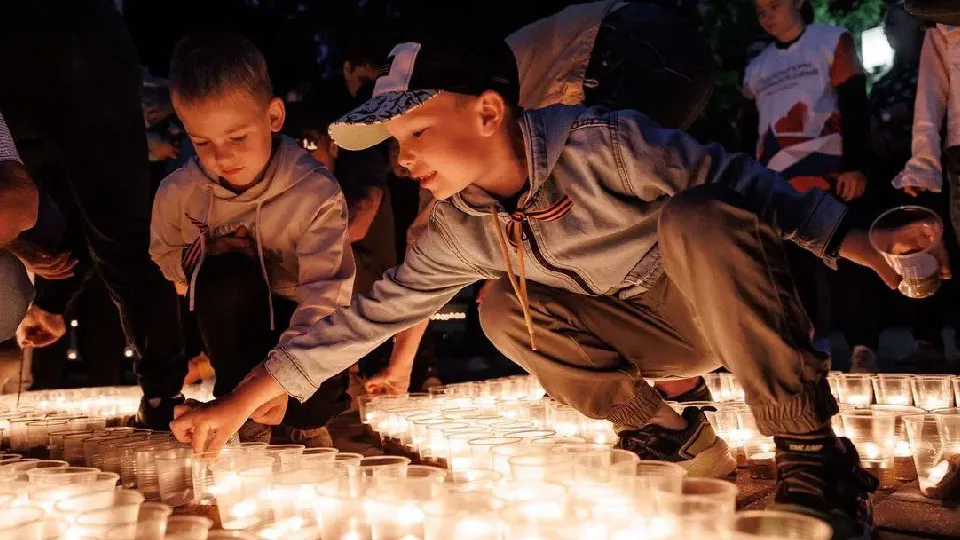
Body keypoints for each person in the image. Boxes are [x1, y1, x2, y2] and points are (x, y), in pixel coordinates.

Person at [169, 34, 947, 535]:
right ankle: (671, 436)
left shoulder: (606, 144)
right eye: (394, 143)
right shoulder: (458, 226)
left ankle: (812, 453)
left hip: (715, 302)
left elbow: (741, 184)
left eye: (413, 133)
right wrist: (240, 402)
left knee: (700, 215)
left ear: (487, 110)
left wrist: (855, 240)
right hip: (637, 335)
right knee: (503, 305)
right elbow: (362, 319)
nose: (402, 161)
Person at [364, 0, 719, 400]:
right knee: (596, 228)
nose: (410, 164)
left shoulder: (455, 124)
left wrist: (401, 365)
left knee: (607, 215)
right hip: (664, 41)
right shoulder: (459, 117)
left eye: (410, 141)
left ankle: (677, 383)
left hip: (623, 46)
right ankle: (659, 379)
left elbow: (427, 256)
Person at [150, 32, 355, 445]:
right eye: (201, 142)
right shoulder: (179, 194)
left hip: (300, 328)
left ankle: (305, 422)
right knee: (223, 277)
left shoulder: (314, 193)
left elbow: (326, 300)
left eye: (237, 137)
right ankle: (242, 408)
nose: (221, 157)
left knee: (314, 401)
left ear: (273, 117)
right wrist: (202, 256)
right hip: (233, 327)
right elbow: (165, 262)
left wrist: (279, 381)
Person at [0, 0, 187, 428]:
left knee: (124, 233)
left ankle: (163, 400)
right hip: (86, 42)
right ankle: (163, 398)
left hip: (77, 47)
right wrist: (50, 302)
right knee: (118, 227)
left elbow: (23, 202)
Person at [741, 0, 881, 371]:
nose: (766, 15)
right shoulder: (757, 67)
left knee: (849, 262)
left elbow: (854, 104)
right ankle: (809, 351)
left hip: (832, 175)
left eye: (773, 5)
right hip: (777, 186)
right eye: (759, 10)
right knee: (793, 272)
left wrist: (857, 165)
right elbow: (749, 129)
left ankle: (862, 347)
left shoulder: (831, 41)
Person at [871, 2, 957, 370]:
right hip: (931, 164)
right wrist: (921, 165)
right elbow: (929, 98)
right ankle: (928, 339)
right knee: (926, 250)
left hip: (933, 162)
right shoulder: (941, 33)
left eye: (896, 20)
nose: (889, 28)